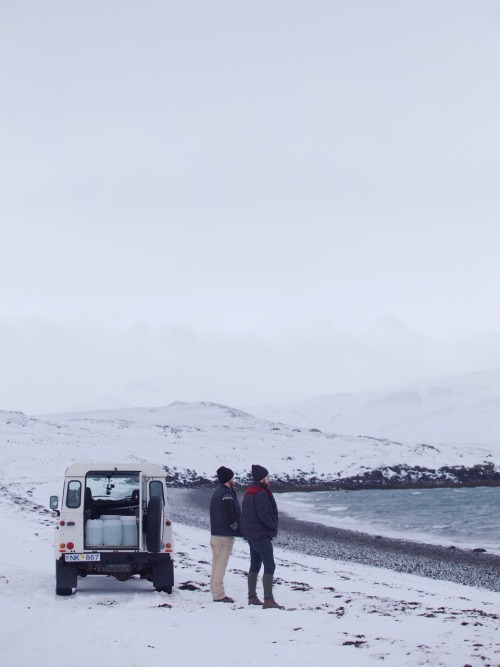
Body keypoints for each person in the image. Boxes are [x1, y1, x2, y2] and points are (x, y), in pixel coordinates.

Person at [241, 464, 284, 609]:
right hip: (260, 534)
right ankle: (268, 599)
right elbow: (263, 514)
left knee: (255, 564)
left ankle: (252, 596)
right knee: (269, 564)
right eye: (267, 477)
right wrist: (272, 526)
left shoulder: (249, 492)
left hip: (251, 534)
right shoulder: (260, 493)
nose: (269, 479)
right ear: (263, 478)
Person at [209, 466, 242, 602]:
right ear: (228, 479)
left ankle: (215, 591)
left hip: (216, 534)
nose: (234, 480)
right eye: (232, 477)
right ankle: (219, 595)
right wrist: (235, 527)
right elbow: (229, 515)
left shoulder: (218, 492)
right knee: (220, 565)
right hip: (224, 536)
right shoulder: (226, 494)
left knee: (216, 565)